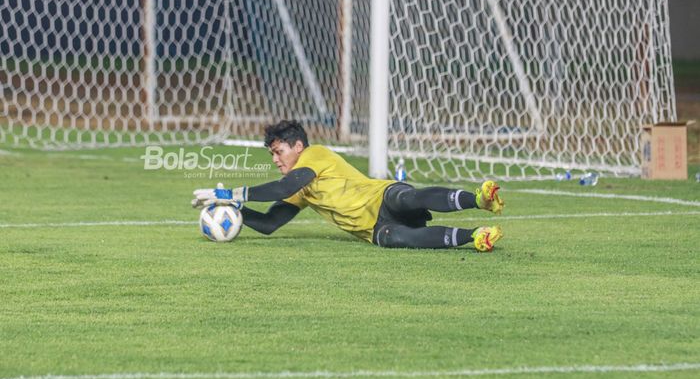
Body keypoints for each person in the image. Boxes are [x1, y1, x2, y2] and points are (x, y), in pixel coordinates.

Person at [192, 120, 504, 251]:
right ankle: (475, 237)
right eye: (272, 154)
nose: (275, 159)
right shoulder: (299, 187)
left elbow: (282, 188)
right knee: (399, 239)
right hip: (373, 230)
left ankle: (479, 198)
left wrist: (229, 192)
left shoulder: (314, 156)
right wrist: (234, 207)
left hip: (382, 196)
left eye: (278, 152)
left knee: (409, 199)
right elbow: (271, 222)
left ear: (297, 146)